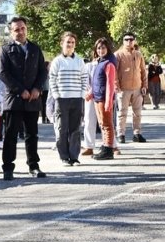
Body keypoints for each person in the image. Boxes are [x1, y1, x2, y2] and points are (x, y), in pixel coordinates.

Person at [0, 16, 47, 180]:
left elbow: (42, 71)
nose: (20, 32)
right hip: (14, 99)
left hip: (32, 99)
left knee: (31, 135)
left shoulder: (35, 48)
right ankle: (8, 168)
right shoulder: (5, 49)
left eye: (22, 28)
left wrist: (37, 89)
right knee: (11, 135)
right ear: (11, 32)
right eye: (16, 29)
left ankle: (33, 166)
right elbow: (3, 74)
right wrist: (20, 90)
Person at [49, 32, 88, 166]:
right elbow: (52, 79)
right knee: (62, 129)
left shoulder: (79, 61)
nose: (70, 45)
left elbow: (84, 78)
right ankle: (64, 157)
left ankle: (74, 157)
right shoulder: (57, 61)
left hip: (77, 98)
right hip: (62, 99)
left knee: (75, 129)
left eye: (72, 42)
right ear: (62, 44)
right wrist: (56, 95)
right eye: (67, 42)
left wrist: (82, 94)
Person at [88, 37, 118, 160]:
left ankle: (109, 149)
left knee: (107, 124)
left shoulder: (109, 63)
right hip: (97, 98)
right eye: (99, 48)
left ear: (108, 49)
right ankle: (105, 146)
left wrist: (109, 101)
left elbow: (110, 85)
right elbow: (96, 81)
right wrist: (91, 93)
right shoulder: (100, 62)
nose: (101, 50)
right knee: (102, 124)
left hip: (104, 99)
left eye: (103, 47)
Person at [115, 32, 146, 143]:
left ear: (134, 41)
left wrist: (144, 85)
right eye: (126, 39)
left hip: (137, 88)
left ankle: (137, 134)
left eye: (131, 39)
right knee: (122, 113)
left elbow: (143, 71)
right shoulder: (118, 54)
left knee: (137, 113)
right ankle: (121, 134)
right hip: (123, 89)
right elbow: (114, 72)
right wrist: (116, 86)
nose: (129, 41)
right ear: (123, 41)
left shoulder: (138, 54)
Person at [80, 54, 98, 156]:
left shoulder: (108, 63)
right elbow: (85, 81)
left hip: (103, 95)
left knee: (107, 123)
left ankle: (111, 145)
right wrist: (86, 92)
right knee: (89, 121)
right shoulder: (88, 66)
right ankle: (89, 146)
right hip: (89, 96)